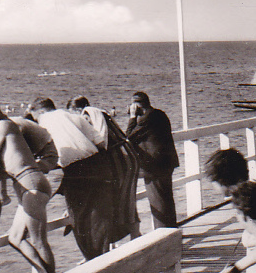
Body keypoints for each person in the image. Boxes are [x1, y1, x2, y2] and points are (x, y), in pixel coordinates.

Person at [0, 94, 55, 273]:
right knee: (15, 238)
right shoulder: (4, 130)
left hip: (31, 186)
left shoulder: (4, 125)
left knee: (39, 241)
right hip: (29, 186)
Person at [28, 96, 115, 261]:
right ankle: (104, 258)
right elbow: (101, 143)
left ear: (39, 112)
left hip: (76, 170)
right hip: (99, 164)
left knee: (79, 218)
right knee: (100, 216)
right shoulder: (75, 117)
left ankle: (93, 260)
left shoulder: (41, 124)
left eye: (34, 116)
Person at [68, 96, 140, 241]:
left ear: (77, 109)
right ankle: (134, 236)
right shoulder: (102, 113)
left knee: (122, 199)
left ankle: (134, 238)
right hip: (127, 155)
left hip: (119, 158)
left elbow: (97, 141)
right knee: (127, 197)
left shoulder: (87, 114)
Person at [126, 92, 179, 229]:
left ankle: (163, 233)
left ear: (137, 105)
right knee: (167, 198)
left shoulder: (145, 119)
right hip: (167, 163)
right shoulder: (160, 114)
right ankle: (172, 231)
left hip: (155, 167)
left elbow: (129, 137)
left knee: (158, 201)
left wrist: (132, 117)